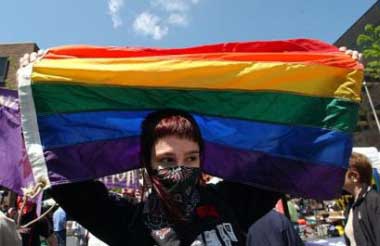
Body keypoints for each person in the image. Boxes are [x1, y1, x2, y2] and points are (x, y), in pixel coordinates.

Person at [50, 109, 281, 245]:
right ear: (147, 162)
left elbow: (283, 162)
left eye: (191, 158)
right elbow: (58, 173)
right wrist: (35, 99)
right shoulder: (129, 223)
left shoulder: (229, 202)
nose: (181, 171)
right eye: (168, 160)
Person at [342, 152, 380, 246]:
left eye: (339, 173)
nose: (334, 177)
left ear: (354, 176)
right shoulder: (352, 204)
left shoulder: (374, 201)